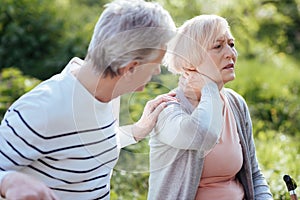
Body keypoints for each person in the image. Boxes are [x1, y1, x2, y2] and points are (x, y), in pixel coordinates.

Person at [0, 0, 177, 199]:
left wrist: (136, 131)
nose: (157, 70)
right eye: (156, 63)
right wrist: (7, 181)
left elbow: (82, 149)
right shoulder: (40, 109)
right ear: (130, 68)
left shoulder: (106, 94)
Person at [147, 14, 273, 200]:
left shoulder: (236, 104)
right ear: (190, 60)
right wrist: (209, 88)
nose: (231, 53)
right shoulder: (168, 108)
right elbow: (201, 134)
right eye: (218, 46)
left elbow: (253, 174)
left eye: (231, 44)